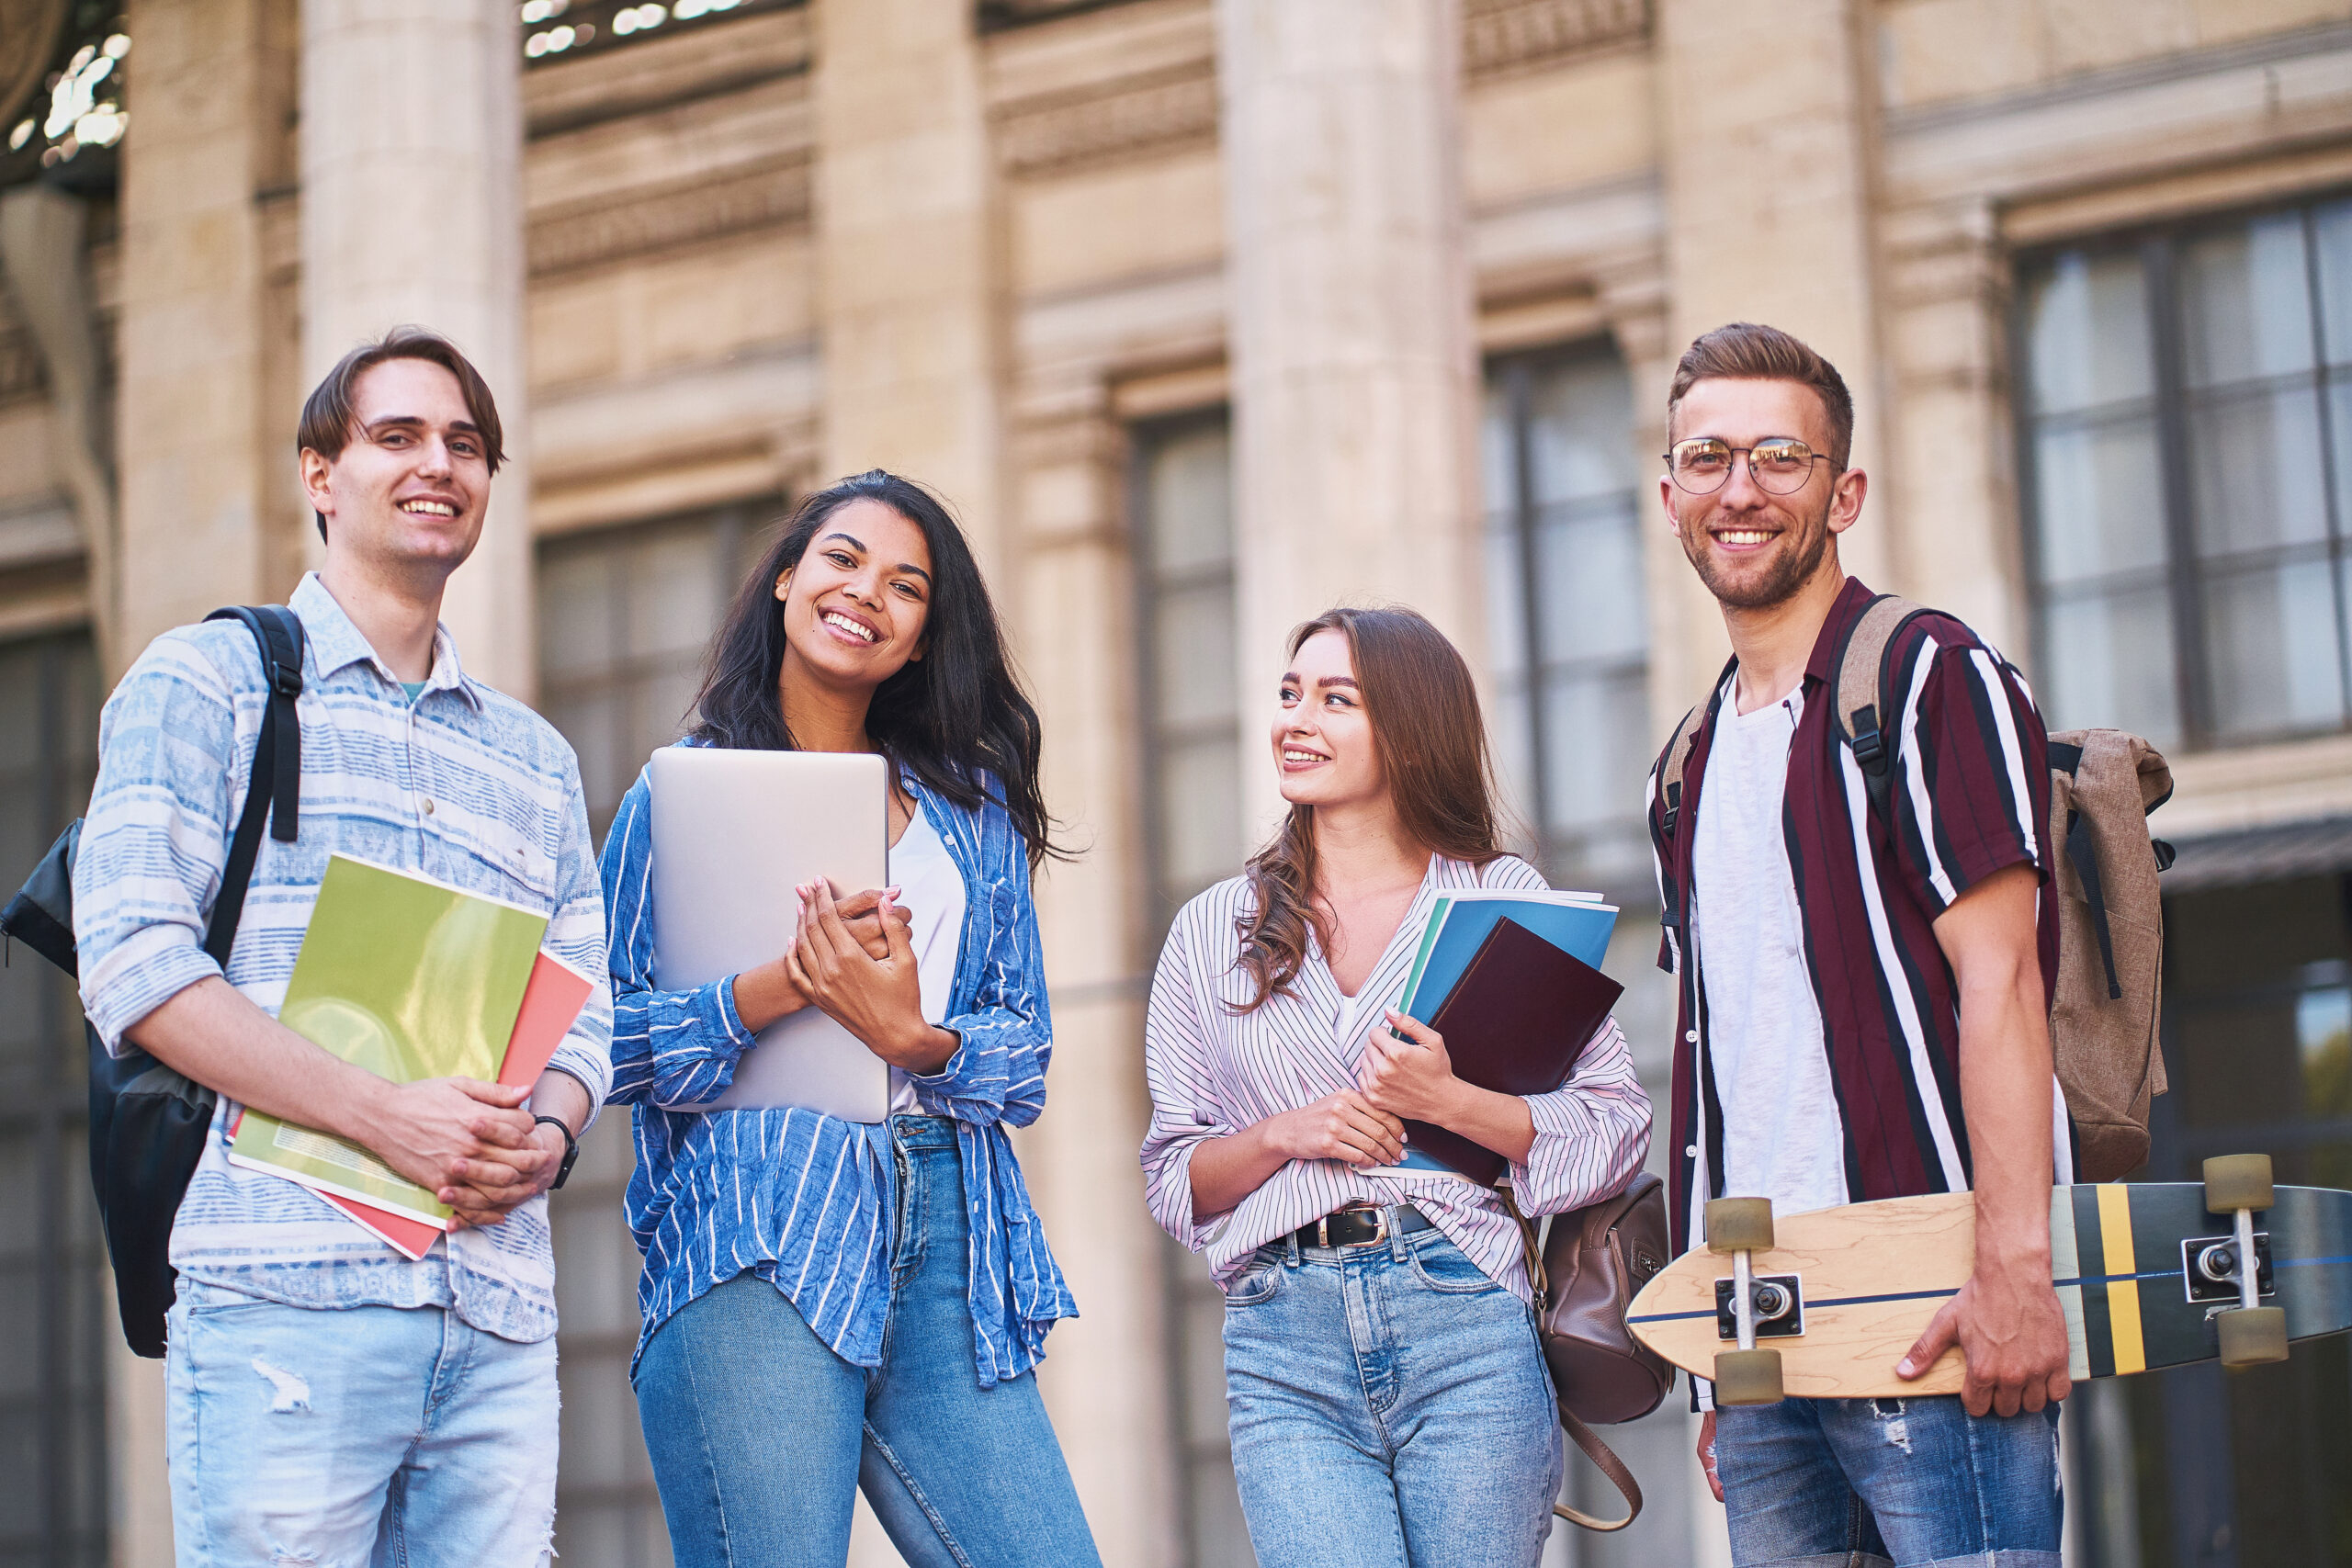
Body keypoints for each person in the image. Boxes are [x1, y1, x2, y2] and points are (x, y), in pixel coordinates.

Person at [73, 325, 614, 1564]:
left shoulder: (535, 757)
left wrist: (550, 1131)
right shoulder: (207, 681)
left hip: (494, 1322)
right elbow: (136, 960)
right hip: (285, 1308)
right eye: (398, 435)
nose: (440, 462)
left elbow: (588, 999)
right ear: (320, 473)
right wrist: (384, 1113)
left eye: (467, 443)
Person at [600, 469, 1100, 1567]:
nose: (866, 592)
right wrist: (775, 991)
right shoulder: (680, 794)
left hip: (952, 1238)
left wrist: (913, 1038)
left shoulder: (972, 816)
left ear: (922, 639)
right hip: (757, 1231)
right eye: (841, 559)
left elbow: (1023, 1056)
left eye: (905, 586)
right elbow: (600, 1039)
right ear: (785, 581)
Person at [1646, 322, 2071, 1566]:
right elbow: (1724, 1071)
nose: (1741, 489)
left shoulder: (1929, 674)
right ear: (1672, 494)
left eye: (1780, 455)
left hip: (1931, 1311)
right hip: (1768, 1341)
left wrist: (2014, 1270)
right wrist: (1717, 1366)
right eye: (1709, 457)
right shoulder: (1687, 763)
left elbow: (2004, 981)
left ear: (1846, 491)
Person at [1140, 605, 1652, 1568]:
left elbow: (1615, 1128)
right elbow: (1174, 1179)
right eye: (1291, 694)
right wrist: (1284, 1134)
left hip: (1462, 1312)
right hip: (1280, 1340)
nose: (1298, 720)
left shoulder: (1507, 905)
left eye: (1337, 700)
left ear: (1411, 730)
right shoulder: (1212, 929)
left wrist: (1448, 1102)